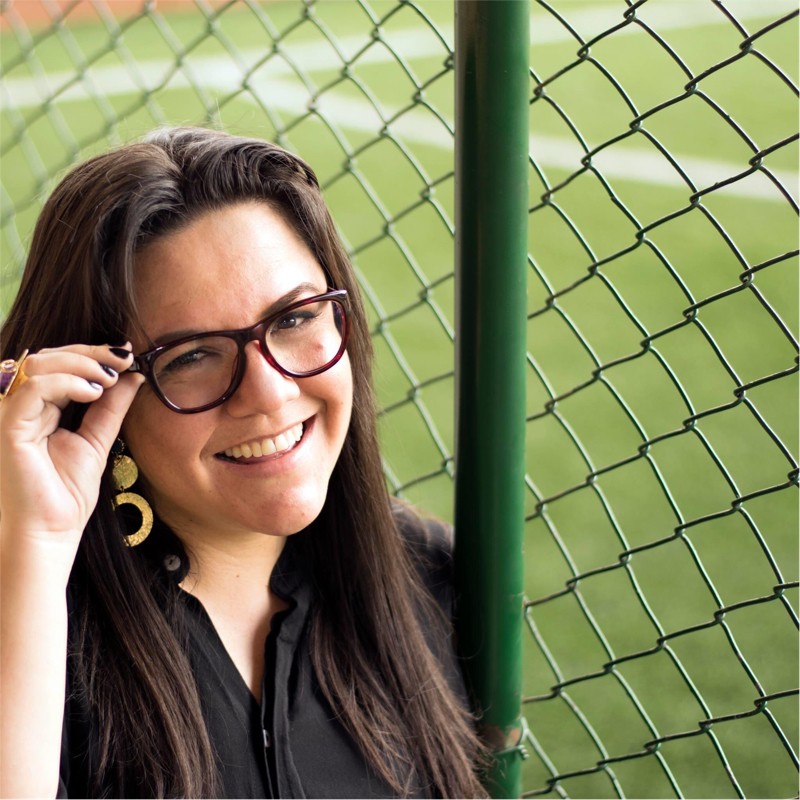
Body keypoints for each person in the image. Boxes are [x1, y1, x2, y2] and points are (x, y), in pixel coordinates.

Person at [0, 127, 486, 798]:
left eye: (295, 319)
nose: (270, 392)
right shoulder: (39, 619)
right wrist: (36, 542)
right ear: (97, 393)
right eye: (193, 356)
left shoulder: (430, 576)